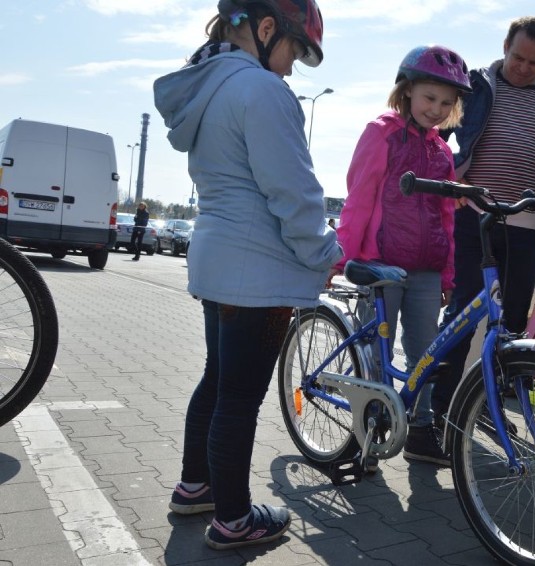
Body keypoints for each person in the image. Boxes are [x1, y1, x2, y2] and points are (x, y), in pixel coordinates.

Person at [153, 0, 341, 551]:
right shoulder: (261, 91)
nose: (289, 68)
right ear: (264, 29)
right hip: (256, 272)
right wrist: (325, 253)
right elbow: (294, 192)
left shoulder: (211, 89)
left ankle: (196, 487)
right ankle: (234, 518)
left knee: (217, 381)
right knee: (238, 397)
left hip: (218, 261)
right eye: (292, 51)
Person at [434, 16, 535, 426]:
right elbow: (436, 138)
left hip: (528, 226)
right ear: (505, 46)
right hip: (475, 219)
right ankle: (439, 413)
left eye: (534, 63)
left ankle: (485, 409)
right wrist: (451, 174)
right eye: (518, 57)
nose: (523, 67)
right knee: (463, 315)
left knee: (512, 325)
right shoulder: (475, 87)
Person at [333, 45, 470, 467]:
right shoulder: (382, 133)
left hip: (427, 268)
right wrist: (340, 257)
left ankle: (421, 430)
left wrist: (447, 274)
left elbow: (445, 217)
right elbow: (358, 198)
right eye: (430, 98)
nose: (437, 109)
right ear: (407, 90)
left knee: (425, 352)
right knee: (376, 350)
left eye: (447, 103)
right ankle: (367, 426)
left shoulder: (443, 153)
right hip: (381, 265)